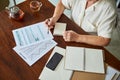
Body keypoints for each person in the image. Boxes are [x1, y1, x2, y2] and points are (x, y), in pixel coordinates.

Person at [45, 0, 117, 46]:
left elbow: (105, 40)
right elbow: (62, 3)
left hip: (88, 40)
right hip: (69, 31)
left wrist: (77, 37)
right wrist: (54, 18)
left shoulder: (109, 9)